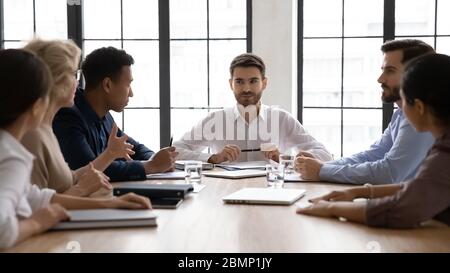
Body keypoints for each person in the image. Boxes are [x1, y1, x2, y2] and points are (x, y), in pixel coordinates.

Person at [0, 49, 151, 249]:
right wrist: (37, 222)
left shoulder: (21, 141)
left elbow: (34, 196)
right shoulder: (17, 152)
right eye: (74, 75)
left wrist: (113, 203)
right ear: (39, 102)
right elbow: (6, 226)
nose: (79, 83)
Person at [297, 53, 450, 228]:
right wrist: (358, 192)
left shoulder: (445, 153)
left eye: (403, 98)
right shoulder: (442, 143)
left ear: (420, 107)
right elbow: (421, 187)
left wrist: (332, 208)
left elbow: (401, 210)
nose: (401, 108)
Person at [295, 39, 435, 184]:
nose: (380, 79)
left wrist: (322, 171)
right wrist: (323, 166)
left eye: (390, 71)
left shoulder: (422, 117)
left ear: (414, 74)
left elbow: (389, 172)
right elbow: (373, 155)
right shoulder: (400, 114)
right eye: (383, 70)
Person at [22, 39, 135, 196]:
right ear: (54, 81)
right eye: (72, 75)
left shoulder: (45, 128)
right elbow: (37, 205)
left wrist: (109, 154)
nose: (77, 83)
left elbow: (70, 179)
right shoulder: (34, 133)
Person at [174, 53, 332, 164]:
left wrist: (285, 158)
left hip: (272, 193)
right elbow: (175, 151)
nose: (246, 88)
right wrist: (212, 158)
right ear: (231, 84)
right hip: (224, 195)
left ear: (264, 83)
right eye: (240, 82)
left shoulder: (282, 119)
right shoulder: (216, 120)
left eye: (253, 81)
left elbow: (324, 154)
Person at [53, 47, 177, 182]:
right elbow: (91, 169)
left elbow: (133, 147)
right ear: (107, 85)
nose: (131, 93)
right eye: (128, 84)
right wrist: (151, 165)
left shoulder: (105, 116)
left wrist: (155, 158)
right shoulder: (68, 117)